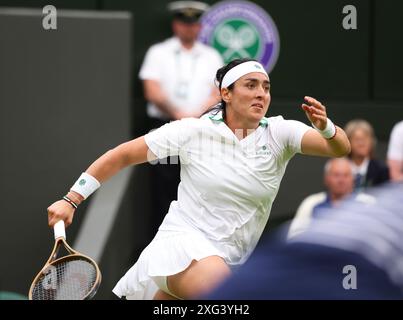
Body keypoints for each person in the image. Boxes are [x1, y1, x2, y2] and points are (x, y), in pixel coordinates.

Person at [47, 58, 351, 300]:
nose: (261, 93)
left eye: (266, 87)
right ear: (226, 93)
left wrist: (325, 127)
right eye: (251, 85)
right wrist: (71, 199)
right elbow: (121, 155)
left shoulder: (280, 133)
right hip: (182, 246)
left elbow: (339, 148)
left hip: (232, 258)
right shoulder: (191, 131)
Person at [206, 183, 403, 300]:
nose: (341, 180)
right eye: (337, 175)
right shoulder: (315, 203)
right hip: (291, 259)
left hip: (356, 270)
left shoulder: (367, 201)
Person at [139, 1, 224, 233]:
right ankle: (158, 245)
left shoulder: (212, 56)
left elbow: (218, 92)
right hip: (163, 126)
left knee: (197, 185)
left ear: (199, 27)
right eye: (184, 23)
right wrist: (178, 115)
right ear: (176, 25)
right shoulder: (158, 52)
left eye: (193, 24)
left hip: (200, 129)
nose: (189, 28)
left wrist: (193, 117)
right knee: (162, 189)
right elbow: (152, 90)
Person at [288, 158, 375, 238]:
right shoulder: (311, 203)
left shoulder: (367, 203)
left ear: (353, 179)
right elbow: (295, 236)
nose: (341, 180)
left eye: (346, 175)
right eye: (336, 175)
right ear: (326, 179)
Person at [344, 119, 389, 190]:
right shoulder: (339, 168)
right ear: (347, 142)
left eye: (365, 139)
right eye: (357, 139)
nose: (361, 144)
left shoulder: (381, 169)